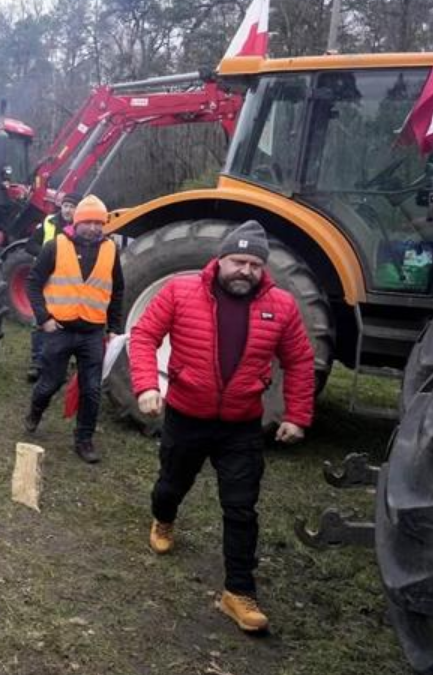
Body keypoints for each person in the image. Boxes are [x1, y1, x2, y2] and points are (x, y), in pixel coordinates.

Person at [128, 220, 315, 633]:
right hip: (186, 416)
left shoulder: (282, 305)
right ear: (221, 260)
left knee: (241, 507)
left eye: (254, 264)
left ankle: (238, 592)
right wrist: (145, 385)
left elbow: (300, 361)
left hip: (241, 425)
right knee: (171, 486)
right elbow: (143, 335)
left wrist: (297, 415)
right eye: (238, 261)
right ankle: (163, 518)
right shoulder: (179, 291)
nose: (245, 271)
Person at [23, 194, 124, 464]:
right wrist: (43, 318)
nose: (94, 227)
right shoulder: (55, 246)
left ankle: (84, 440)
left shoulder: (111, 250)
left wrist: (114, 327)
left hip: (92, 332)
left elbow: (117, 291)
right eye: (89, 222)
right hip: (59, 330)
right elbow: (33, 283)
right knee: (50, 382)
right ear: (77, 222)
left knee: (91, 389)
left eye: (99, 223)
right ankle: (35, 410)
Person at [26, 192, 82, 381]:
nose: (68, 209)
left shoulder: (81, 227)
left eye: (72, 206)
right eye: (65, 205)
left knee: (65, 324)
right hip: (44, 278)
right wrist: (47, 254)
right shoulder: (49, 222)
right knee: (39, 322)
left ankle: (60, 365)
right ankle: (36, 363)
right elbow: (30, 245)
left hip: (68, 283)